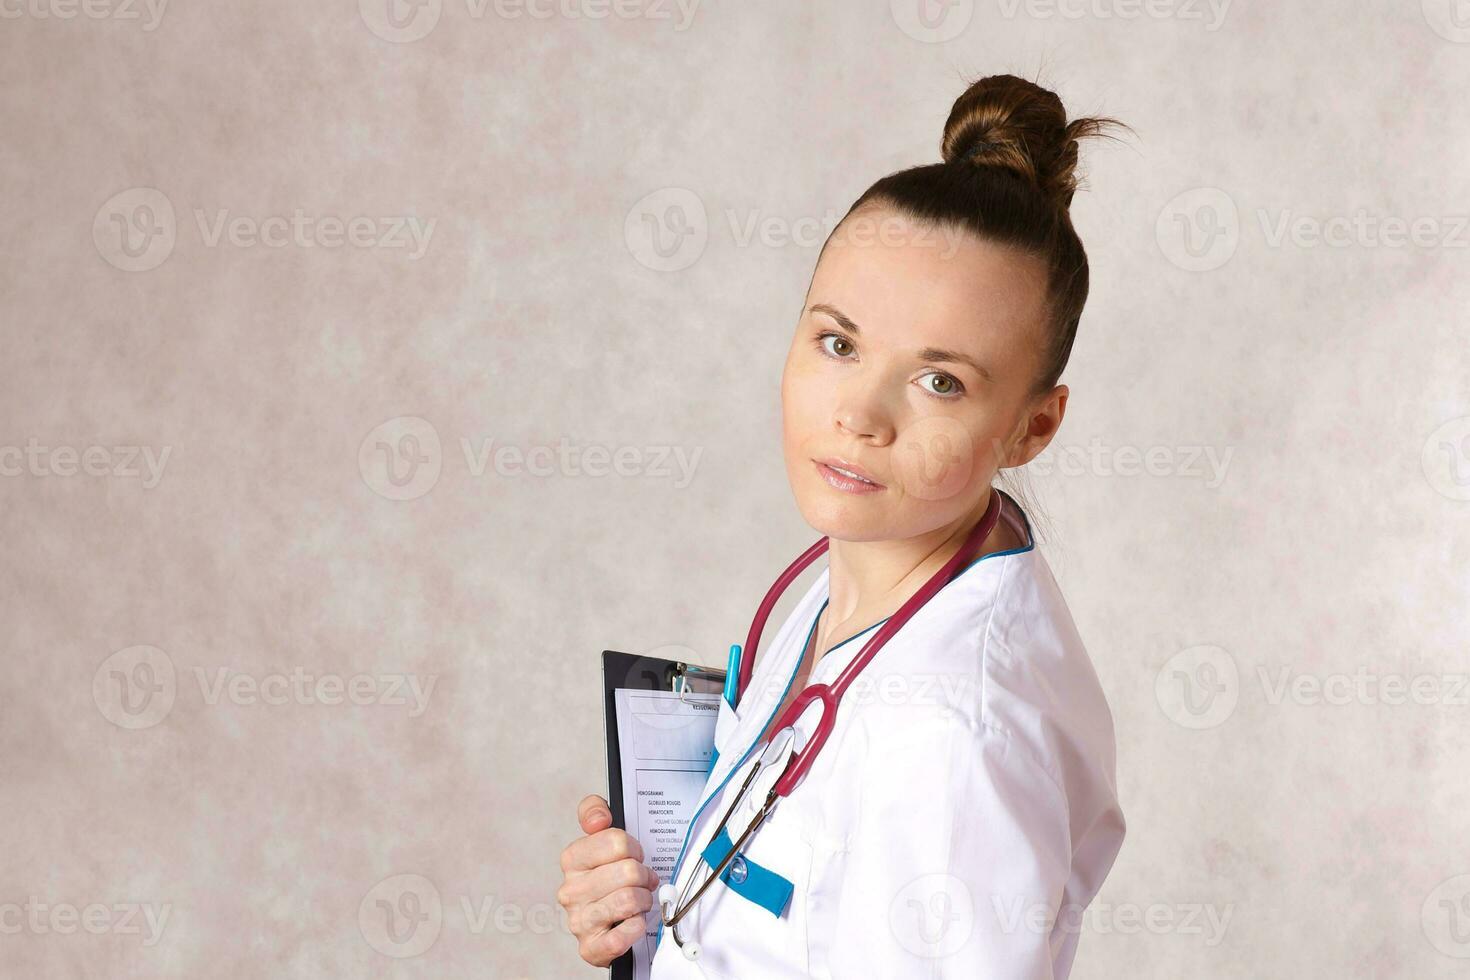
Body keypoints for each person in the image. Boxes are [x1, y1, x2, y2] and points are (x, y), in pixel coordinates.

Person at [558, 71, 1130, 978]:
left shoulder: (950, 737)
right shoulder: (862, 575)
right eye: (839, 342)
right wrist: (653, 916)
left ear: (1032, 426)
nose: (861, 413)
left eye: (940, 380)